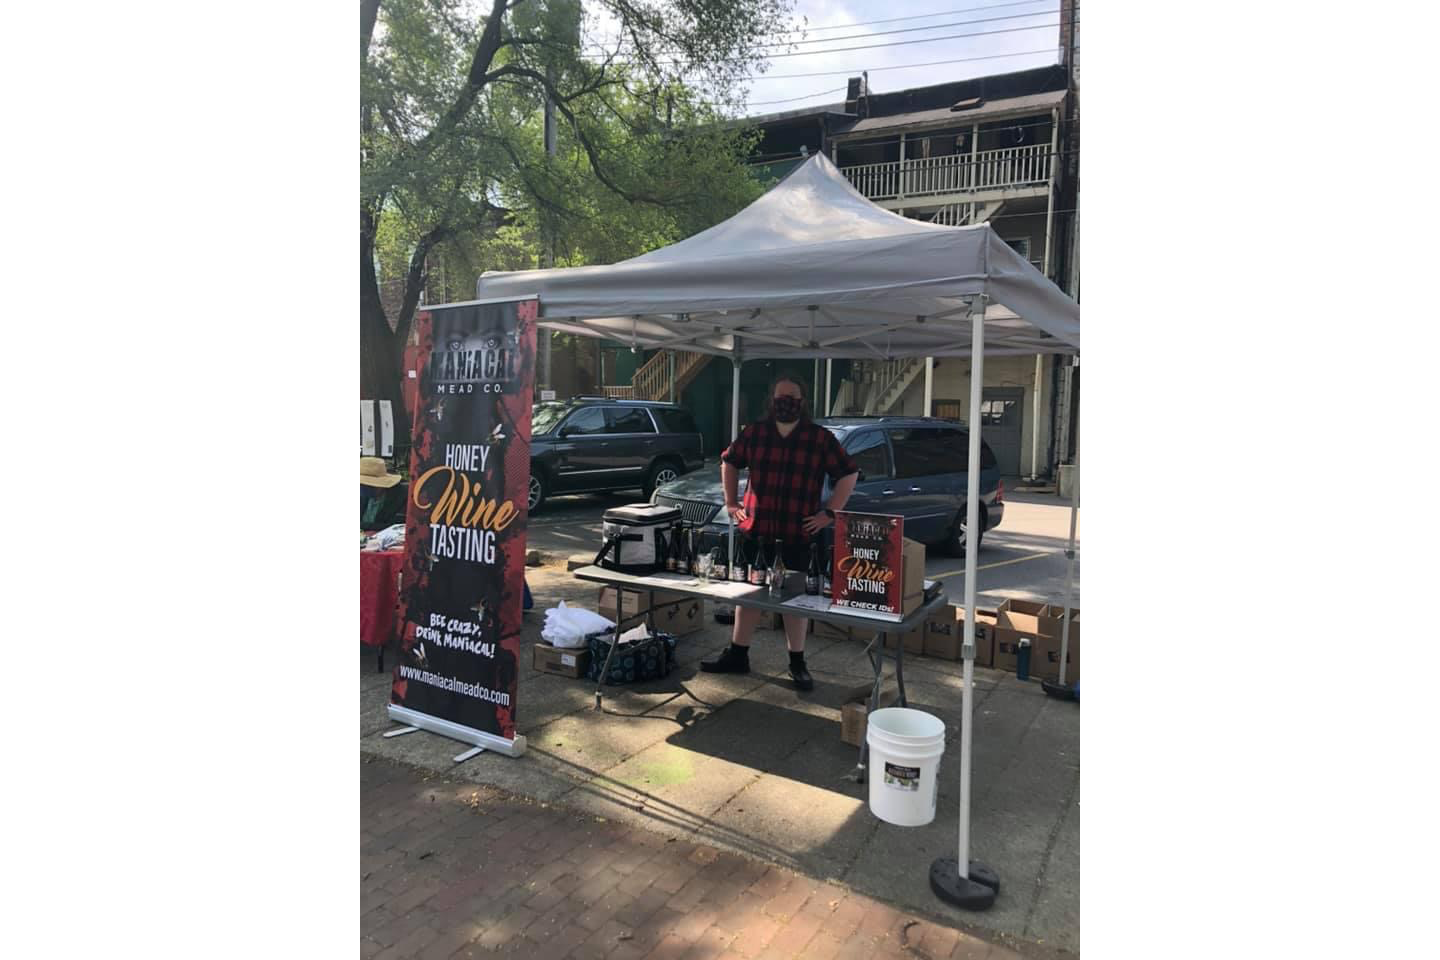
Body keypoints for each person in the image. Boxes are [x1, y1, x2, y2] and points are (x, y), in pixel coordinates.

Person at [700, 374, 859, 691]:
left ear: (803, 402)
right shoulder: (754, 434)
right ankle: (738, 655)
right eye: (781, 396)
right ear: (770, 401)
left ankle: (797, 663)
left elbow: (848, 473)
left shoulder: (819, 438)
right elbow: (728, 462)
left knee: (796, 601)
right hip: (757, 531)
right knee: (749, 595)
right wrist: (731, 503)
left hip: (799, 533)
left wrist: (830, 512)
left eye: (794, 396)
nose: (787, 402)